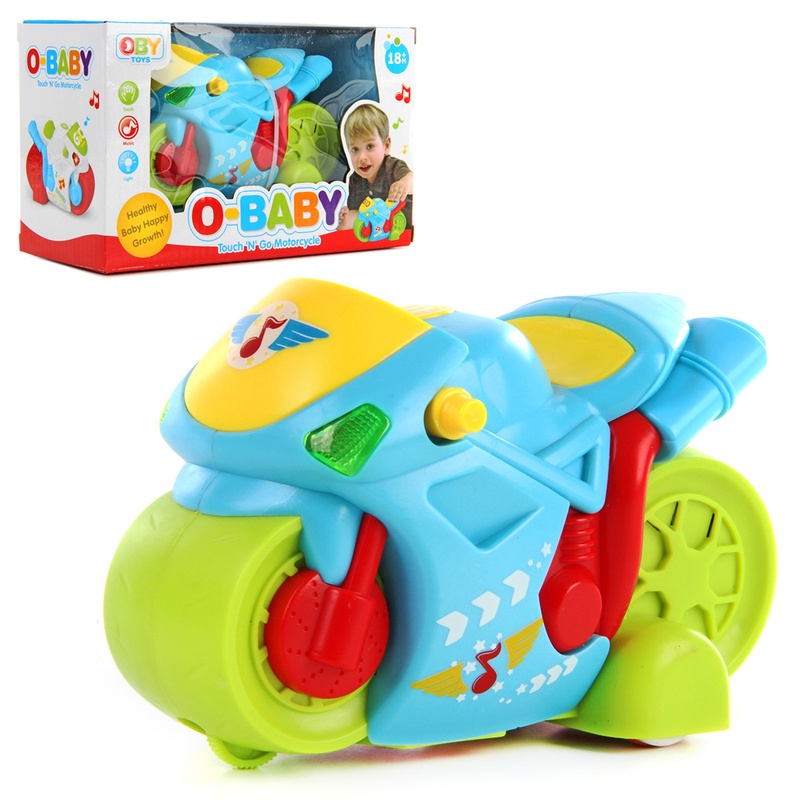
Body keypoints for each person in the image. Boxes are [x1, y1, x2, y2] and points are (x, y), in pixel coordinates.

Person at [338, 103, 413, 230]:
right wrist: (346, 215)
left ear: (386, 145)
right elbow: (359, 213)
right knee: (346, 222)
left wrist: (404, 183)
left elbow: (413, 180)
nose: (362, 157)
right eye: (355, 149)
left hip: (402, 229)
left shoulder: (393, 167)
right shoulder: (354, 180)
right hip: (377, 231)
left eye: (370, 146)